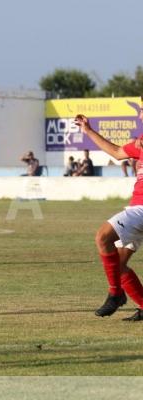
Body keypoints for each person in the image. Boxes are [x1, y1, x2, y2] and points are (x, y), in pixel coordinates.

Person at [74, 113, 143, 321]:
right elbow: (116, 152)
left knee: (103, 237)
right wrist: (88, 131)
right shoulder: (140, 140)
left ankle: (115, 294)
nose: (141, 113)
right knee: (118, 265)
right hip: (136, 209)